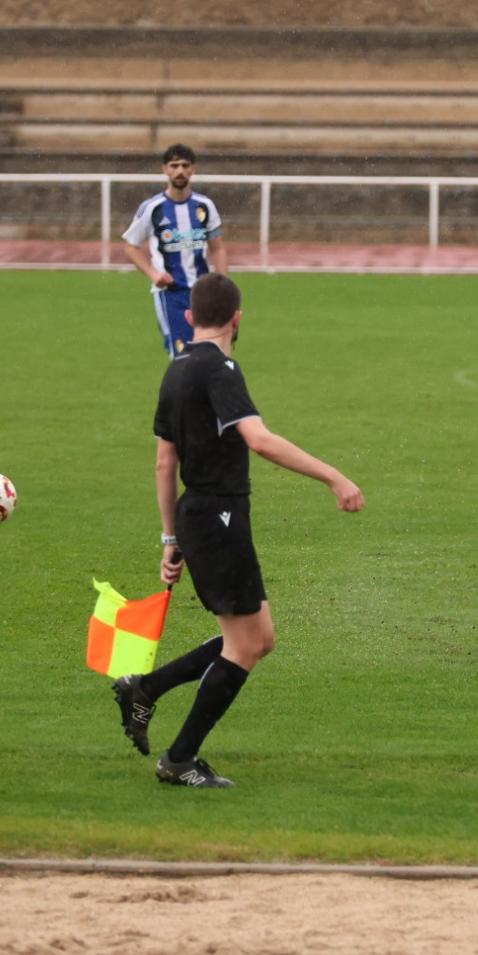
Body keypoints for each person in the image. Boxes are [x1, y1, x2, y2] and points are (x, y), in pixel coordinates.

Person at [111, 273, 364, 788]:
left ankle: (145, 688)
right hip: (219, 517)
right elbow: (261, 441)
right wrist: (334, 477)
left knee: (258, 638)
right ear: (237, 318)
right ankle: (179, 759)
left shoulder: (175, 367)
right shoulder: (220, 369)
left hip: (196, 515)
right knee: (245, 646)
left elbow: (164, 463)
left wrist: (170, 537)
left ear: (189, 317)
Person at [122, 144, 228, 359]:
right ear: (165, 169)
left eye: (185, 165)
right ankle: (183, 393)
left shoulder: (204, 206)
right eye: (174, 165)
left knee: (210, 354)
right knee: (182, 355)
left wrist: (223, 285)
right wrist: (153, 274)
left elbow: (218, 247)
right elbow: (131, 247)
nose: (180, 170)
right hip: (171, 294)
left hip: (203, 293)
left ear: (193, 170)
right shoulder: (153, 208)